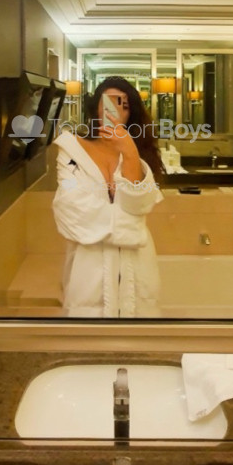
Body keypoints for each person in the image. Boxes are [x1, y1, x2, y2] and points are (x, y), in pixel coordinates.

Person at [52, 76, 164, 317]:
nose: (115, 111)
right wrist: (133, 227)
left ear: (131, 113)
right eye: (109, 103)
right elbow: (72, 209)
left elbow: (140, 204)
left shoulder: (137, 152)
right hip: (88, 267)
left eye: (124, 105)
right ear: (96, 108)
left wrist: (130, 152)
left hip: (137, 265)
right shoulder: (72, 150)